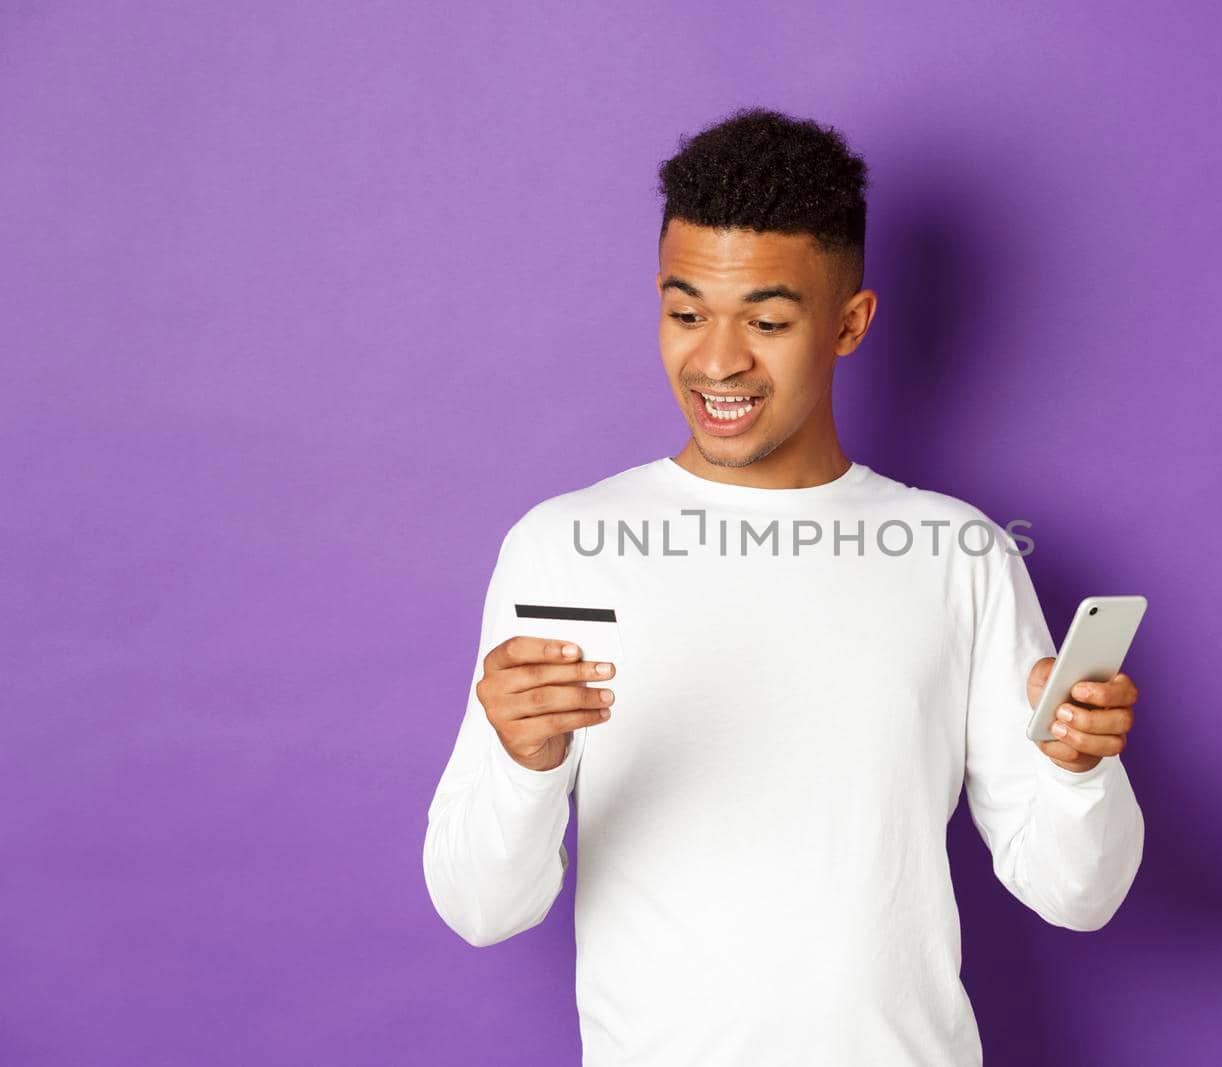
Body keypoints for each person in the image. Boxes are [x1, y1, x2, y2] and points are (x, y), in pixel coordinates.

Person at [422, 105, 1145, 1067]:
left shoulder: (959, 553)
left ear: (850, 323)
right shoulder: (566, 549)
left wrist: (1076, 767)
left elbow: (1076, 892)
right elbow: (481, 907)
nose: (717, 360)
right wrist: (524, 761)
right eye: (686, 314)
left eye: (766, 320)